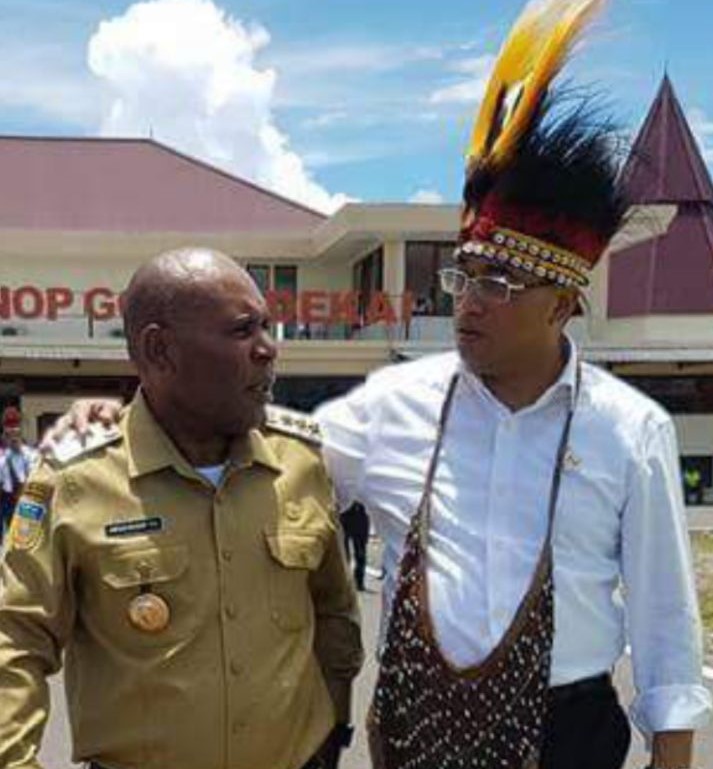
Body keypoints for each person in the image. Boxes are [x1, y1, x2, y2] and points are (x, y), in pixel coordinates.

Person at [43, 2, 712, 767]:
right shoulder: (389, 408)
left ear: (562, 305)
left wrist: (671, 753)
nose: (466, 302)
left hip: (567, 733)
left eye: (496, 285)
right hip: (418, 730)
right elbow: (255, 462)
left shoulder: (626, 429)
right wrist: (127, 414)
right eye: (462, 277)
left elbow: (664, 616)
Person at [0, 248, 363, 769]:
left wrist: (332, 734)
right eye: (242, 331)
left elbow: (334, 615)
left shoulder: (300, 462)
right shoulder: (75, 480)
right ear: (160, 350)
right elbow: (14, 639)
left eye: (266, 327)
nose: (267, 349)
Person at [0, 406, 38, 545]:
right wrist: (7, 451)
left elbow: (33, 473)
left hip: (22, 498)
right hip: (3, 499)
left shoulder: (28, 452)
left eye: (15, 425)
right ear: (4, 428)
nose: (12, 429)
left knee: (23, 538)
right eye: (9, 425)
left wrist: (19, 450)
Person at [340, 500, 370, 591]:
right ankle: (345, 579)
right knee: (343, 551)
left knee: (360, 553)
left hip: (359, 515)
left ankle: (358, 581)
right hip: (346, 514)